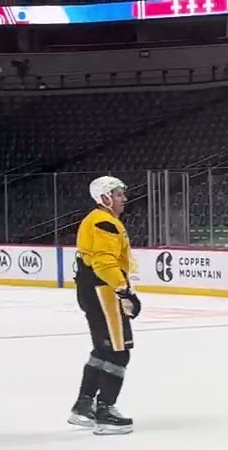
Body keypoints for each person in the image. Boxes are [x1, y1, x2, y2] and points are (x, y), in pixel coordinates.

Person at [68, 175, 141, 435]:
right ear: (105, 197)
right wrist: (123, 291)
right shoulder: (103, 221)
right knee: (119, 352)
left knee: (102, 349)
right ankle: (105, 411)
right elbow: (104, 262)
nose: (124, 198)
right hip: (103, 291)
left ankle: (83, 406)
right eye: (119, 194)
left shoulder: (99, 220)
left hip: (92, 288)